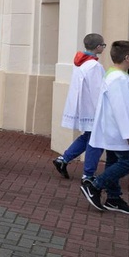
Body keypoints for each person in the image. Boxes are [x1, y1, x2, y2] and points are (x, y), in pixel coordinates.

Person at [80, 41, 129, 214]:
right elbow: (120, 107)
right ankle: (94, 185)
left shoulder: (118, 75)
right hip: (119, 132)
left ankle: (113, 198)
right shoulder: (118, 79)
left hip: (115, 131)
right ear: (127, 58)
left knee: (114, 161)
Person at [52, 33, 105, 180]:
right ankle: (88, 174)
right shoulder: (94, 65)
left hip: (83, 105)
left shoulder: (80, 61)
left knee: (87, 136)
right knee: (96, 140)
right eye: (103, 45)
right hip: (93, 108)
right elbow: (97, 90)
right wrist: (102, 109)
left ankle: (63, 159)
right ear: (98, 47)